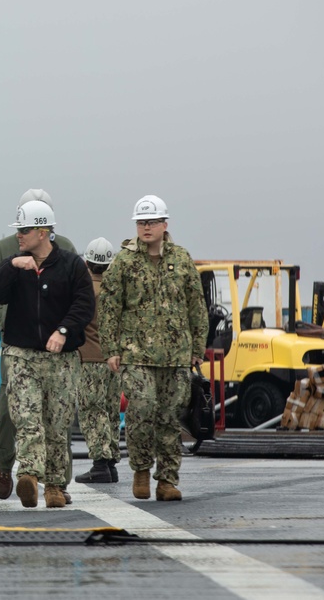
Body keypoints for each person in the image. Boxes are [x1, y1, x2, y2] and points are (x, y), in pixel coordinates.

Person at [0, 199, 94, 508]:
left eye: (24, 230)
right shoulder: (17, 266)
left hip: (60, 361)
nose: (19, 235)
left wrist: (63, 331)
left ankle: (56, 486)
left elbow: (84, 305)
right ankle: (29, 477)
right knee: (27, 418)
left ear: (43, 231)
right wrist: (11, 266)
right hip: (21, 357)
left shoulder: (72, 265)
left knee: (57, 424)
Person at [98, 195, 208, 501]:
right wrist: (110, 348)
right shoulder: (124, 261)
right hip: (136, 355)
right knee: (141, 410)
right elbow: (108, 306)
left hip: (176, 356)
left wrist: (198, 346)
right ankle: (142, 470)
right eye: (141, 222)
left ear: (164, 224)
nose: (146, 228)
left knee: (170, 417)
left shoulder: (182, 259)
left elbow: (197, 305)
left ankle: (168, 480)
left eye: (151, 222)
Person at [74, 237, 122, 484]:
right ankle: (111, 462)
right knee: (111, 410)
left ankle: (100, 464)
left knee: (92, 411)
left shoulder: (83, 291)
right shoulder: (115, 292)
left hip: (89, 359)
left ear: (86, 262)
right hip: (113, 361)